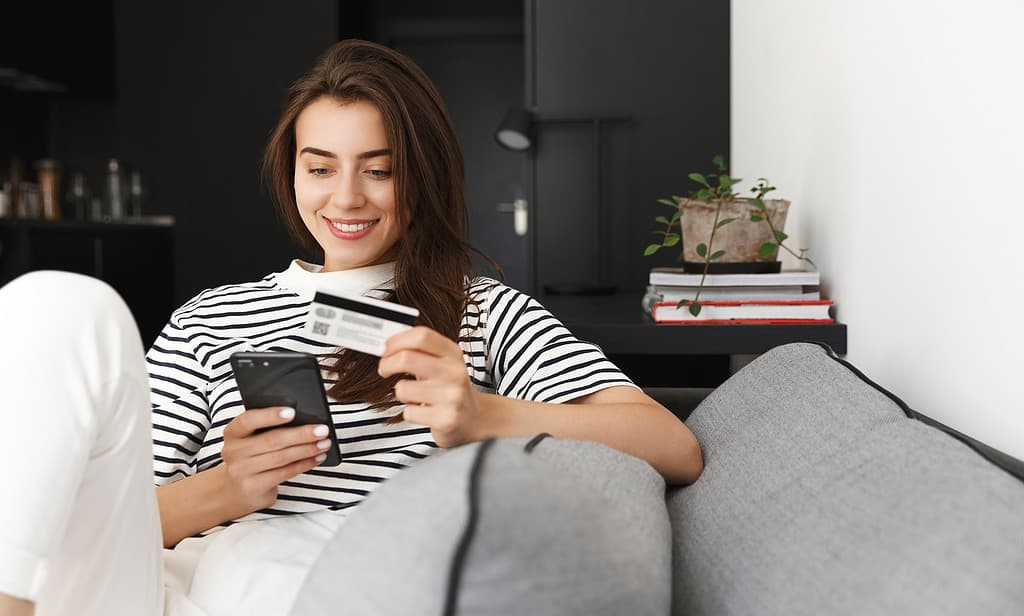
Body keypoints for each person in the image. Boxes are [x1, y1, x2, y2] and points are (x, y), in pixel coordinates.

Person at [0, 39, 702, 616]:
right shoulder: (209, 318)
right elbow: (105, 522)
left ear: (420, 178)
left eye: (379, 170)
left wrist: (483, 415)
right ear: (292, 174)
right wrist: (230, 487)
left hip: (346, 584)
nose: (346, 198)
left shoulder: (485, 313)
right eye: (321, 168)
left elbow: (673, 447)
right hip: (155, 590)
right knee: (62, 301)